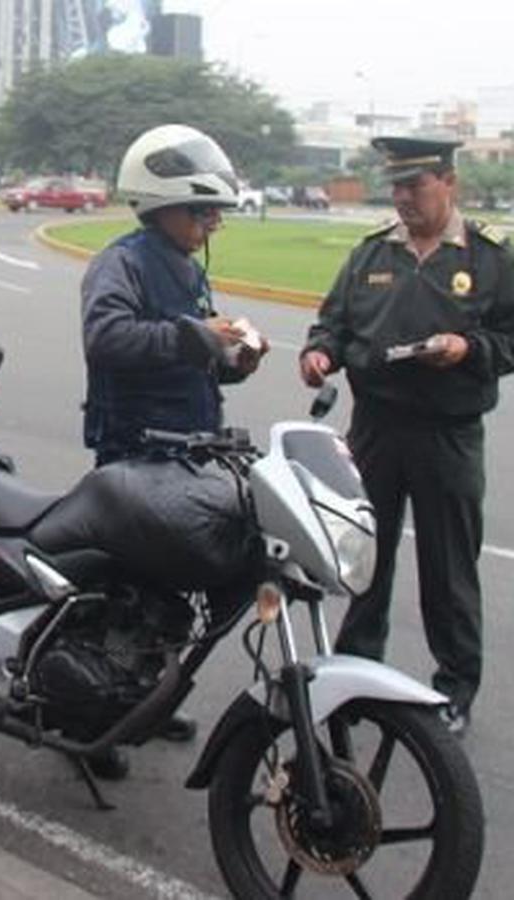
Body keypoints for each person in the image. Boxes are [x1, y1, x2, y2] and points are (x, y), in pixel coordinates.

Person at [300, 136, 514, 736]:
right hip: (376, 429)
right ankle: (357, 673)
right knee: (365, 560)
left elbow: (510, 339)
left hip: (447, 433)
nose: (402, 198)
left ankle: (454, 691)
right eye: (395, 187)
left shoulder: (490, 258)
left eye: (414, 186)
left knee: (448, 569)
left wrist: (470, 348)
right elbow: (333, 324)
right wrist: (319, 354)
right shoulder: (372, 254)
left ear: (449, 182)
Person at [80, 124, 268, 771]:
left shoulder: (186, 269)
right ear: (163, 206)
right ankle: (90, 720)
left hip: (186, 450)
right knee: (122, 593)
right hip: (133, 450)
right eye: (203, 210)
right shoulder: (123, 262)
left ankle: (144, 700)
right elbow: (107, 339)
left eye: (215, 211)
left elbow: (197, 358)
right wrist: (196, 336)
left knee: (166, 596)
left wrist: (236, 358)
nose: (213, 222)